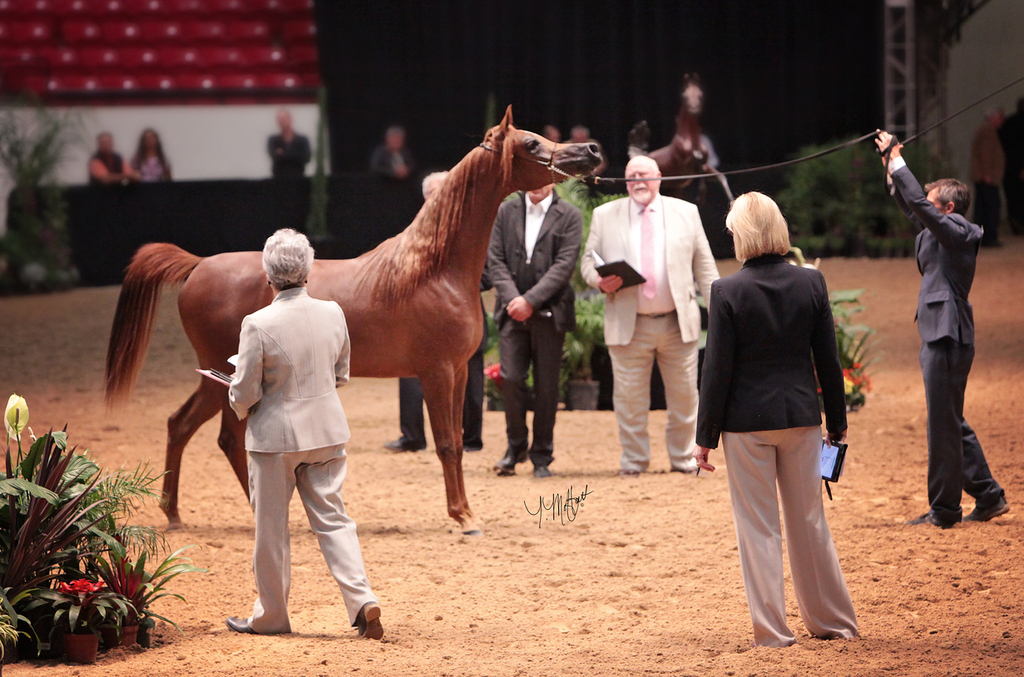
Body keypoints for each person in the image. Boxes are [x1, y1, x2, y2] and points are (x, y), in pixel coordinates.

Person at [694, 192, 858, 648]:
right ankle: (832, 621)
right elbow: (829, 358)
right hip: (802, 419)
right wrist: (837, 423)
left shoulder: (726, 291)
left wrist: (704, 437)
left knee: (758, 526)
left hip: (746, 425)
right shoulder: (812, 282)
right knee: (809, 521)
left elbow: (717, 370)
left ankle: (772, 630)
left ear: (741, 234)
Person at [226, 228, 383, 639]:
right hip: (327, 431)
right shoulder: (333, 312)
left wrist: (235, 398)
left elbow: (244, 392)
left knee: (271, 531)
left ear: (268, 275)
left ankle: (272, 617)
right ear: (308, 270)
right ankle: (363, 599)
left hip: (275, 439)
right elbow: (341, 374)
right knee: (335, 521)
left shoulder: (256, 323)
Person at [876, 130, 1009, 528]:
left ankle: (946, 509)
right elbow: (911, 204)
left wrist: (899, 160)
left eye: (933, 207)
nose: (925, 213)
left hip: (949, 334)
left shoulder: (962, 233)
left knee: (943, 423)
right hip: (939, 333)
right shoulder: (937, 233)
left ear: (948, 209)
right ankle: (987, 495)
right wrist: (889, 163)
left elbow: (918, 203)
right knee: (949, 419)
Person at [580, 155, 719, 477]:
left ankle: (684, 459)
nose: (638, 181)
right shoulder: (605, 214)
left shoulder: (686, 212)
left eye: (644, 174)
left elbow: (706, 267)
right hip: (629, 324)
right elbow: (588, 261)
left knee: (685, 397)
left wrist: (720, 314)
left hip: (677, 322)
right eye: (631, 177)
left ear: (659, 177)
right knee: (629, 401)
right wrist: (597, 280)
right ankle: (634, 461)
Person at [384, 171, 487, 453]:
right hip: (418, 317)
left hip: (461, 317)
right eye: (432, 194)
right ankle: (412, 436)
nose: (438, 199)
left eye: (443, 192)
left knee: (471, 375)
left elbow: (485, 273)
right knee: (409, 373)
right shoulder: (412, 231)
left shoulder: (471, 229)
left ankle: (470, 439)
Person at [488, 182, 582, 478]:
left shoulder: (569, 214)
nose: (536, 184)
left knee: (547, 387)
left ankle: (541, 455)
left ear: (553, 179)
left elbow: (564, 265)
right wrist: (513, 299)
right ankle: (515, 447)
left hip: (549, 314)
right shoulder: (506, 209)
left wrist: (530, 300)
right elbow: (495, 260)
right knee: (511, 378)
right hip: (511, 313)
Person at [970, 109, 1005, 247]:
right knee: (991, 208)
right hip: (986, 178)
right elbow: (986, 153)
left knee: (982, 207)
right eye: (1000, 118)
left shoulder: (986, 129)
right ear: (993, 118)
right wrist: (987, 174)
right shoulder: (988, 131)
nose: (1002, 121)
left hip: (983, 176)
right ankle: (989, 238)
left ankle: (982, 237)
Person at [998, 97, 1024, 234]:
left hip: (1008, 167)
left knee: (1012, 198)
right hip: (1017, 167)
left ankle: (1014, 223)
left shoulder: (1008, 122)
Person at [267, 110, 311, 178]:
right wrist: (296, 155)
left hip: (298, 178)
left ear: (290, 120)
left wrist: (283, 154)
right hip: (279, 179)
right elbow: (274, 157)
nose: (281, 122)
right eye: (279, 120)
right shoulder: (273, 140)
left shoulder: (302, 140)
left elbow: (306, 158)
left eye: (284, 119)